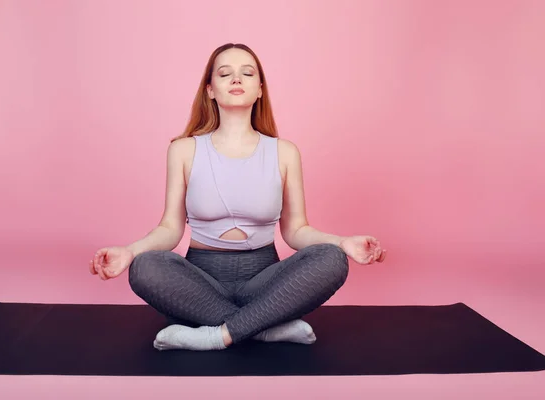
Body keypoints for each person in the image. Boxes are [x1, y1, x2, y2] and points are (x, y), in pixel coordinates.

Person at [89, 43, 387, 352]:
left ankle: (216, 335)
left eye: (247, 73)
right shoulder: (183, 150)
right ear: (210, 90)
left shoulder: (284, 152)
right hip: (200, 283)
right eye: (224, 73)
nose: (236, 80)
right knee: (145, 267)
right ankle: (262, 327)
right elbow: (170, 229)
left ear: (259, 90)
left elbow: (296, 231)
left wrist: (343, 243)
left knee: (332, 259)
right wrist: (129, 252)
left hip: (265, 281)